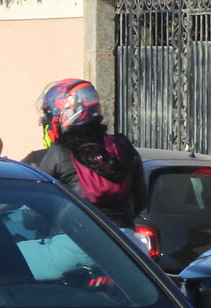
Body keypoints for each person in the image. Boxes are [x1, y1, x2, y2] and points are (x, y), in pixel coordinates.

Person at [24, 79, 145, 223]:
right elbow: (141, 199)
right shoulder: (122, 145)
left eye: (51, 113)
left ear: (67, 110)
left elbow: (35, 205)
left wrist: (28, 220)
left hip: (75, 239)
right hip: (122, 239)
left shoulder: (60, 151)